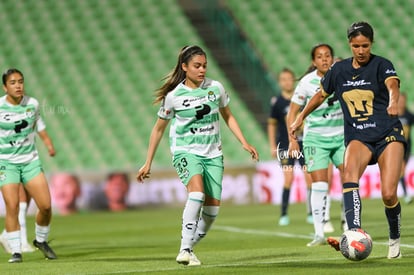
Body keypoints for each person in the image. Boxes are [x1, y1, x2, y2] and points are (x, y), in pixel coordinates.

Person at [290, 22, 405, 259]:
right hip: (358, 136)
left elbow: (392, 84)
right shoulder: (339, 69)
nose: (360, 50)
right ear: (349, 44)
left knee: (388, 194)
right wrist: (301, 116)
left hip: (387, 134)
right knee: (349, 177)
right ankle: (354, 232)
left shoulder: (382, 64)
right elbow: (320, 95)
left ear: (371, 44)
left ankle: (394, 238)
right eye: (355, 46)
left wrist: (394, 100)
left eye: (365, 45)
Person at [136, 45, 259, 266]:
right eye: (197, 66)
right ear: (184, 67)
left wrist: (244, 142)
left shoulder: (216, 88)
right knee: (197, 194)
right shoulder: (174, 97)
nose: (202, 70)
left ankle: (188, 248)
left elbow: (228, 116)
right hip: (186, 151)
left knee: (211, 212)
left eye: (204, 65)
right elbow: (158, 129)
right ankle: (184, 250)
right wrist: (148, 163)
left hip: (213, 154)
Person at [287, 44, 345, 246]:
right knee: (320, 185)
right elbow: (292, 113)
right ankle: (319, 233)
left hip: (342, 137)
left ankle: (349, 226)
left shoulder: (342, 75)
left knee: (350, 181)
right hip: (316, 139)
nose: (324, 59)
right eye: (320, 57)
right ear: (314, 62)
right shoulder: (305, 83)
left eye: (327, 55)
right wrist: (292, 140)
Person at [0, 68, 57, 263]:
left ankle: (40, 240)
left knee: (46, 206)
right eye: (13, 82)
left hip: (30, 161)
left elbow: (39, 125)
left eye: (21, 81)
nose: (18, 86)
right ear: (5, 87)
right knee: (12, 205)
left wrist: (48, 144)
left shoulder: (32, 104)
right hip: (6, 163)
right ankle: (16, 251)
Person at [0, 119, 56, 253]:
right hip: (9, 160)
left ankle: (7, 235)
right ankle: (21, 242)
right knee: (20, 201)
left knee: (27, 198)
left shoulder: (31, 110)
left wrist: (49, 145)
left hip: (27, 158)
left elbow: (41, 129)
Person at [267, 68, 313, 226]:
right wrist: (272, 144)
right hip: (285, 145)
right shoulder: (277, 102)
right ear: (280, 82)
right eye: (283, 79)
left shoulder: (300, 99)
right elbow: (272, 124)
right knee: (288, 178)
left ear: (293, 81)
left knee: (309, 177)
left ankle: (311, 212)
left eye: (289, 79)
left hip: (302, 143)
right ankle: (284, 214)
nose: (287, 82)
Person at [397, 92, 414, 204]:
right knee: (400, 170)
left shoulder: (409, 115)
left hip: (406, 147)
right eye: (400, 100)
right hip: (395, 146)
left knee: (401, 170)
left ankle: (405, 194)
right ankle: (405, 194)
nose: (402, 103)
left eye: (403, 101)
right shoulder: (392, 114)